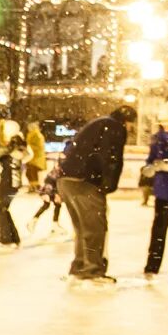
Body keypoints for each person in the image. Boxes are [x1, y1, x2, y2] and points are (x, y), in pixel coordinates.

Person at [57, 103, 136, 286]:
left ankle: (79, 267)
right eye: (132, 124)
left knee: (82, 228)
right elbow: (110, 157)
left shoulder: (98, 123)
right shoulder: (115, 127)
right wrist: (107, 185)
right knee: (94, 228)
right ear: (127, 121)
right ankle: (92, 271)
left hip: (66, 180)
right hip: (85, 181)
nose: (131, 129)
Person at [142, 102, 168, 280]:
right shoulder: (157, 138)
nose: (165, 125)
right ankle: (152, 266)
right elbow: (151, 159)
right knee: (159, 228)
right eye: (163, 121)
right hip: (164, 189)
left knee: (160, 228)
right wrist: (149, 168)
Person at [0, 120, 27, 250]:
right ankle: (12, 238)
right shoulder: (17, 143)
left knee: (0, 208)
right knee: (3, 208)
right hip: (13, 182)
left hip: (9, 181)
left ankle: (7, 240)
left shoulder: (11, 146)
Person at [27, 162, 66, 237]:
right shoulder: (56, 172)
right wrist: (49, 194)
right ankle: (33, 221)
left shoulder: (60, 171)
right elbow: (49, 182)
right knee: (48, 204)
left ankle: (54, 225)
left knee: (55, 205)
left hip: (52, 190)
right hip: (49, 190)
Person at [25, 121, 48, 193]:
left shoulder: (37, 135)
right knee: (29, 173)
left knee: (32, 173)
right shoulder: (32, 135)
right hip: (32, 157)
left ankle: (35, 187)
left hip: (35, 158)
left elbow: (39, 147)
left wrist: (28, 147)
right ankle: (33, 186)